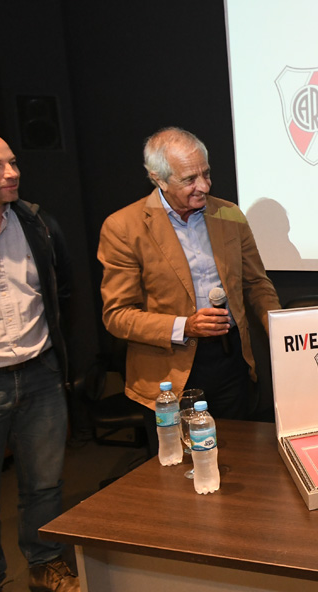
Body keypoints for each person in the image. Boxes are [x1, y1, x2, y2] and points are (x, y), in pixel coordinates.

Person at [98, 127, 281, 437]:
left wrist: (280, 329)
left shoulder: (229, 215)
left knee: (241, 454)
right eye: (189, 180)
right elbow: (117, 316)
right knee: (178, 462)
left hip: (232, 363)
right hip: (169, 376)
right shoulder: (123, 227)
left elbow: (256, 284)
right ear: (158, 178)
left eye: (206, 174)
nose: (204, 186)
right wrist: (186, 326)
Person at [0, 128, 79, 592]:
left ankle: (45, 565)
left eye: (12, 162)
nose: (11, 173)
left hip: (40, 374)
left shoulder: (38, 224)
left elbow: (63, 292)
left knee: (45, 486)